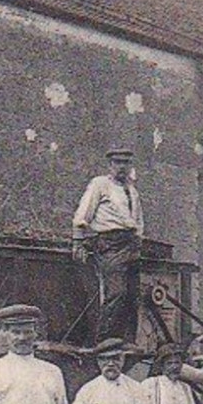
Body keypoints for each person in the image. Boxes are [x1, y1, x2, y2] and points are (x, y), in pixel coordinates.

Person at [72, 147, 144, 344]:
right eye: (117, 162)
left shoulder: (132, 190)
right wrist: (78, 240)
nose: (122, 167)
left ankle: (126, 342)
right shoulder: (100, 185)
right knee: (116, 292)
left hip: (131, 245)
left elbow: (137, 221)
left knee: (132, 296)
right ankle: (105, 341)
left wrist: (138, 239)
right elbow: (83, 213)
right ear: (110, 165)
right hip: (110, 243)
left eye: (126, 163)